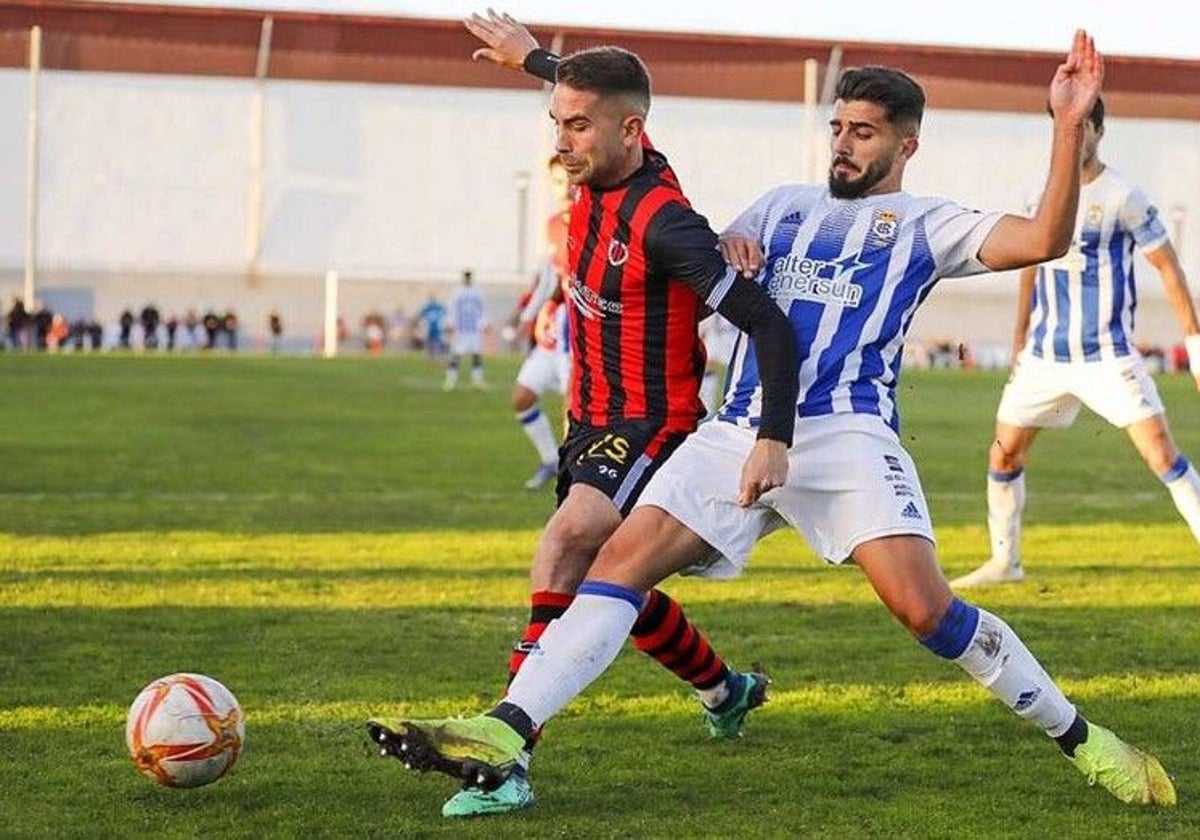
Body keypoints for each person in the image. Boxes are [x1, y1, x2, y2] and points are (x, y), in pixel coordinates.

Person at [372, 31, 1178, 809]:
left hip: (848, 435)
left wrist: (1069, 127)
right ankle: (507, 730)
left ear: (906, 146)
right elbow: (663, 190)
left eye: (863, 133)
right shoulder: (779, 206)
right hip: (738, 428)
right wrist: (727, 239)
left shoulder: (929, 225)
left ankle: (1084, 739)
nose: (843, 145)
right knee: (613, 564)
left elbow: (1045, 236)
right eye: (837, 128)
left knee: (925, 610)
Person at [369, 13, 800, 819]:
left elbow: (768, 324)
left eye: (575, 127)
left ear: (629, 131)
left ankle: (504, 753)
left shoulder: (666, 224)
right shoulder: (600, 155)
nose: (559, 142)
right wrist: (530, 58)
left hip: (650, 423)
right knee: (615, 589)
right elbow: (591, 86)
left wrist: (772, 434)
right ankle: (726, 690)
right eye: (555, 122)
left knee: (565, 545)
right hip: (589, 420)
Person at [952, 96, 1200, 587]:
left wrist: (1194, 344)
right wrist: (1020, 337)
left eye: (1081, 126)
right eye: (1063, 126)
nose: (1071, 135)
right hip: (1044, 356)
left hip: (1106, 355)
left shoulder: (1123, 196)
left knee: (1162, 455)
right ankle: (1006, 562)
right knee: (1004, 453)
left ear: (1099, 132)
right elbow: (1028, 264)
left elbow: (1168, 267)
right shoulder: (1041, 195)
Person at [512, 155, 574, 489]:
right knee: (521, 397)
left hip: (578, 335)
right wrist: (532, 313)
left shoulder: (592, 219)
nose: (563, 188)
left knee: (572, 411)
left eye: (567, 179)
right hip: (552, 334)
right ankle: (551, 461)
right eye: (556, 181)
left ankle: (572, 478)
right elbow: (550, 275)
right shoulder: (552, 224)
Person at [443, 270, 488, 390]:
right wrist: (450, 323)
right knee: (455, 354)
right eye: (465, 277)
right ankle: (450, 380)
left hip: (474, 330)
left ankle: (477, 380)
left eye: (469, 277)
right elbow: (451, 308)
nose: (467, 279)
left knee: (476, 354)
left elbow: (482, 309)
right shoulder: (457, 292)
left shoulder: (477, 292)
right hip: (460, 330)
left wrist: (484, 323)